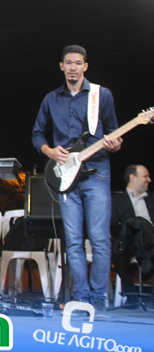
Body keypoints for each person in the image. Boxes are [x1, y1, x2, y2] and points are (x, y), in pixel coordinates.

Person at [32, 45, 122, 311]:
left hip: (97, 173)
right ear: (62, 66)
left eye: (78, 63)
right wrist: (50, 151)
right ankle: (81, 297)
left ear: (85, 66)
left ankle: (98, 297)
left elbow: (114, 132)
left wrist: (115, 144)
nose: (73, 67)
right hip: (66, 175)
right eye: (68, 63)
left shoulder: (101, 95)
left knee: (99, 238)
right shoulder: (51, 99)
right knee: (73, 240)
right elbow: (37, 134)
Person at [111, 164, 153, 297]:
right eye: (146, 176)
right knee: (120, 249)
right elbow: (113, 225)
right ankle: (131, 296)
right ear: (133, 177)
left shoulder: (152, 200)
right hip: (128, 243)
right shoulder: (116, 200)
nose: (149, 180)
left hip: (151, 240)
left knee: (143, 226)